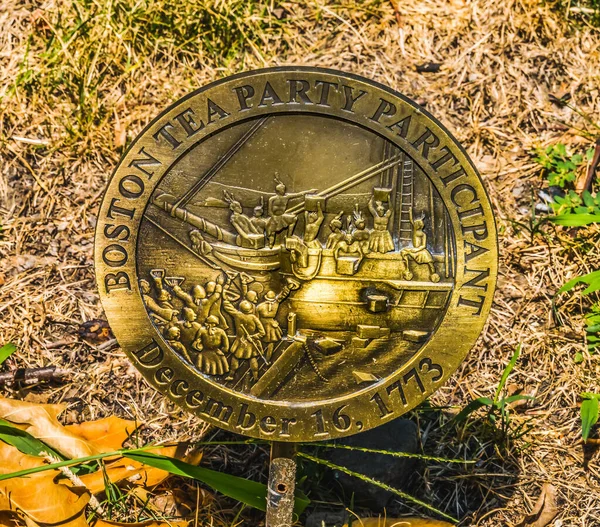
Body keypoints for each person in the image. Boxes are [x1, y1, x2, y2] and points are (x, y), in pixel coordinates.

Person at [222, 278, 266, 381]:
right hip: (251, 342)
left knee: (235, 357)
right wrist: (254, 336)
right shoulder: (254, 317)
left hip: (240, 341)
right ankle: (256, 377)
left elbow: (226, 305)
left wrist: (224, 294)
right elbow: (262, 332)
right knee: (252, 358)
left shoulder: (237, 315)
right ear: (251, 308)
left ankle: (231, 376)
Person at [266, 177, 316, 247]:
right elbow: (269, 212)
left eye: (284, 189)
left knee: (293, 219)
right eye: (282, 189)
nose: (284, 190)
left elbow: (299, 194)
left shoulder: (286, 197)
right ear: (278, 190)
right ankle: (270, 244)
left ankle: (289, 235)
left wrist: (309, 191)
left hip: (282, 216)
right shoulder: (272, 199)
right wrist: (274, 219)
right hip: (274, 217)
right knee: (272, 232)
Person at [400, 209, 440, 283]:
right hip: (414, 249)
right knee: (404, 252)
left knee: (429, 262)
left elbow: (424, 246)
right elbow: (411, 220)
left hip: (420, 250)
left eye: (417, 224)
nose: (414, 224)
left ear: (419, 226)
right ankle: (407, 270)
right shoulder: (415, 230)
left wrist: (416, 250)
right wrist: (410, 212)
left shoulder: (423, 234)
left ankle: (433, 274)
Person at [256, 284, 294, 361]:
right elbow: (282, 296)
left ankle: (265, 358)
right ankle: (266, 358)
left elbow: (256, 318)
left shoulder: (259, 306)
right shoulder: (275, 303)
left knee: (266, 342)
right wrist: (288, 288)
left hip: (264, 325)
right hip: (270, 325)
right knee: (270, 343)